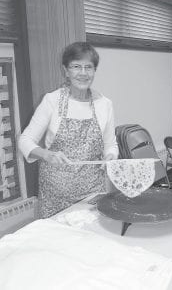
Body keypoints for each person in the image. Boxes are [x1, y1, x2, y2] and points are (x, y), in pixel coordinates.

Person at [19, 41, 119, 218]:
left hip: (92, 191)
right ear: (66, 71)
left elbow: (111, 144)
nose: (82, 73)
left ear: (94, 71)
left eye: (88, 67)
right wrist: (46, 154)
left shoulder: (105, 104)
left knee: (90, 239)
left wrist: (111, 155)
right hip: (56, 194)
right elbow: (25, 140)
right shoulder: (52, 101)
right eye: (76, 66)